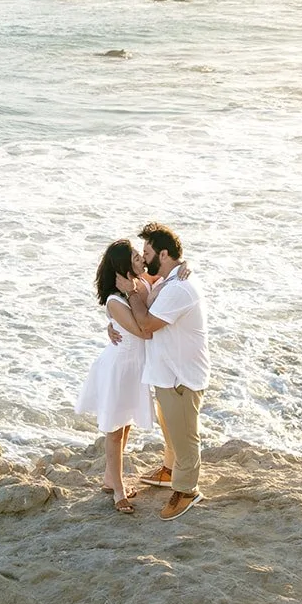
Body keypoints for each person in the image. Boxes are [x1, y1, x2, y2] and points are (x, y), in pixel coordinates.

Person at [117, 222, 208, 521]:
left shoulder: (178, 288)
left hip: (181, 375)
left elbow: (146, 325)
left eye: (147, 252)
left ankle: (187, 489)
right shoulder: (167, 281)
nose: (143, 258)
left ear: (164, 254)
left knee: (185, 435)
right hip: (167, 371)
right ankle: (171, 470)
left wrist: (130, 293)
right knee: (171, 427)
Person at [75, 239, 158, 513]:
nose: (141, 259)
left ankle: (110, 479)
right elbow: (142, 331)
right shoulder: (114, 300)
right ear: (123, 265)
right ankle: (118, 492)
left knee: (126, 424)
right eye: (135, 256)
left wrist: (186, 268)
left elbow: (166, 274)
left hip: (136, 366)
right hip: (120, 367)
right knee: (114, 429)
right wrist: (111, 324)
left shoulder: (141, 282)